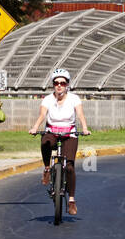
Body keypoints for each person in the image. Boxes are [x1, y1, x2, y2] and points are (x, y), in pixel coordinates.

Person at [28, 67, 91, 216]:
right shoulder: (48, 99)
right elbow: (42, 115)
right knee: (45, 142)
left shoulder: (74, 98)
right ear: (53, 85)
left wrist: (85, 128)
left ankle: (71, 200)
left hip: (69, 133)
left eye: (63, 83)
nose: (59, 86)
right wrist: (35, 127)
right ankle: (47, 169)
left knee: (69, 167)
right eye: (56, 83)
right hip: (52, 131)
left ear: (67, 84)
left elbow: (80, 115)